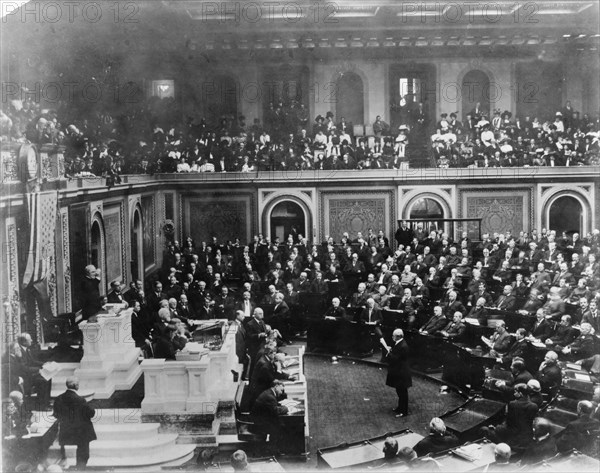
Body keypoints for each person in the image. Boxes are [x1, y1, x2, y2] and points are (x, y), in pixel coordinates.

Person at [53, 377, 97, 470]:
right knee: (84, 451)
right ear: (76, 385)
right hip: (80, 432)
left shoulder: (59, 398)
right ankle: (80, 468)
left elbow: (55, 414)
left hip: (66, 431)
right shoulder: (80, 400)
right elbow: (91, 413)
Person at [250, 380, 289, 454]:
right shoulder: (270, 396)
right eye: (281, 390)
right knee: (279, 426)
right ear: (276, 386)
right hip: (258, 423)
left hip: (258, 418)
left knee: (279, 423)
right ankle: (274, 450)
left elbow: (273, 406)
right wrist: (286, 408)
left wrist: (281, 406)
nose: (281, 392)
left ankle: (274, 447)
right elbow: (275, 411)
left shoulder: (269, 392)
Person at [385, 329, 412, 417]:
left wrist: (389, 353)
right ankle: (400, 408)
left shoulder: (403, 346)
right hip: (400, 372)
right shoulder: (400, 343)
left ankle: (404, 411)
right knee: (399, 391)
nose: (392, 337)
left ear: (398, 336)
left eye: (393, 335)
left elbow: (396, 359)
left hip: (402, 373)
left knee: (402, 392)